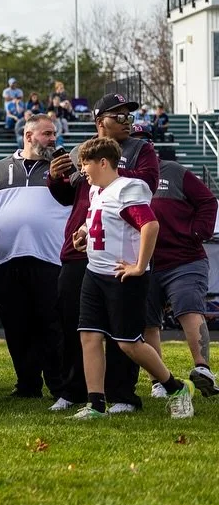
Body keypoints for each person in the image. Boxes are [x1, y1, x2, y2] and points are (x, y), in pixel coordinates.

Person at [47, 93, 158, 413]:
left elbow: (149, 184)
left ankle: (122, 394)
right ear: (100, 122)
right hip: (80, 246)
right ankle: (75, 390)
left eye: (128, 115)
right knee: (76, 324)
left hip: (119, 249)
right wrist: (56, 177)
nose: (127, 121)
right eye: (118, 115)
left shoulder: (141, 148)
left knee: (122, 329)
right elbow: (67, 194)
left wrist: (106, 172)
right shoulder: (83, 149)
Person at [68, 137, 193, 419]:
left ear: (103, 162)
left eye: (85, 163)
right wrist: (84, 235)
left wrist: (139, 265)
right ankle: (96, 404)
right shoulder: (98, 190)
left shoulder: (128, 188)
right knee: (88, 336)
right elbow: (98, 221)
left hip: (122, 276)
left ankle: (175, 388)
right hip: (95, 272)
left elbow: (149, 224)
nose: (82, 170)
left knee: (128, 342)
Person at [0, 115, 69, 399]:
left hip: (50, 258)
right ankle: (27, 384)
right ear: (28, 135)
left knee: (51, 324)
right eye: (46, 133)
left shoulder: (63, 170)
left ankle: (59, 385)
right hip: (8, 259)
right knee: (16, 325)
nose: (52, 138)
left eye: (53, 133)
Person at [146, 157, 217, 396]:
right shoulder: (120, 173)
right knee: (147, 320)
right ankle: (158, 381)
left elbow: (208, 200)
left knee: (188, 305)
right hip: (144, 261)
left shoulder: (173, 171)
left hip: (184, 257)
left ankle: (202, 368)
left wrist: (199, 231)